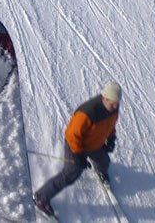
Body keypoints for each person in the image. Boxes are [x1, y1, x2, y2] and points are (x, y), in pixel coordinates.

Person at [33, 82, 122, 218]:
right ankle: (41, 198)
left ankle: (101, 173)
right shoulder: (87, 112)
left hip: (94, 145)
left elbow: (111, 125)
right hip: (76, 145)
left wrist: (111, 138)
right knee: (71, 173)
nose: (115, 106)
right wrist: (78, 156)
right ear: (104, 98)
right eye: (113, 103)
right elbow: (71, 135)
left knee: (104, 161)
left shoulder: (113, 109)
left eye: (117, 103)